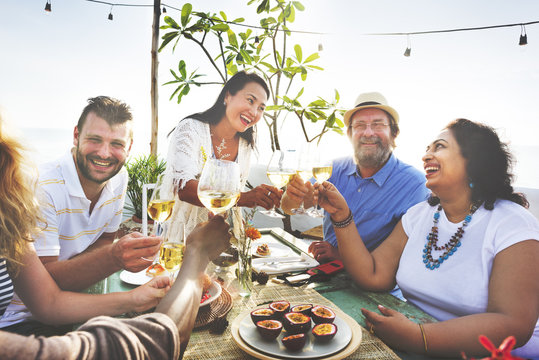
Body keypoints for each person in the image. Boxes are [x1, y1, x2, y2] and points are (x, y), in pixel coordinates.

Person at [315, 118, 539, 358]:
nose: (426, 156)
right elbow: (373, 276)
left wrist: (418, 336)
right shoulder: (419, 215)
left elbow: (513, 324)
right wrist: (341, 215)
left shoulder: (512, 223)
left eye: (439, 147)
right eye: (427, 150)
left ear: (474, 160)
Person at [0, 116, 176, 355]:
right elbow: (50, 293)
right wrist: (113, 259)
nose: (104, 153)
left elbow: (48, 303)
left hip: (46, 319)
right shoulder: (42, 186)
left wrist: (136, 298)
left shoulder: (7, 212)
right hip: (20, 330)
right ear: (76, 136)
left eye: (116, 144)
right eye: (95, 140)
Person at [281, 92, 429, 263]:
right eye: (359, 125)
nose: (368, 132)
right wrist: (295, 196)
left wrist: (340, 256)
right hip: (325, 272)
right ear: (350, 134)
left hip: (374, 286)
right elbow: (289, 208)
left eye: (378, 125)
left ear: (394, 133)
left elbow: (410, 255)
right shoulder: (332, 169)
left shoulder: (415, 185)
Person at [165, 71, 281, 238]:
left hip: (224, 238)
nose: (255, 112)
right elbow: (184, 188)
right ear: (227, 96)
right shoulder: (191, 129)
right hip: (184, 237)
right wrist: (244, 198)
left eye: (261, 108)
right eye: (250, 100)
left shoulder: (246, 144)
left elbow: (234, 198)